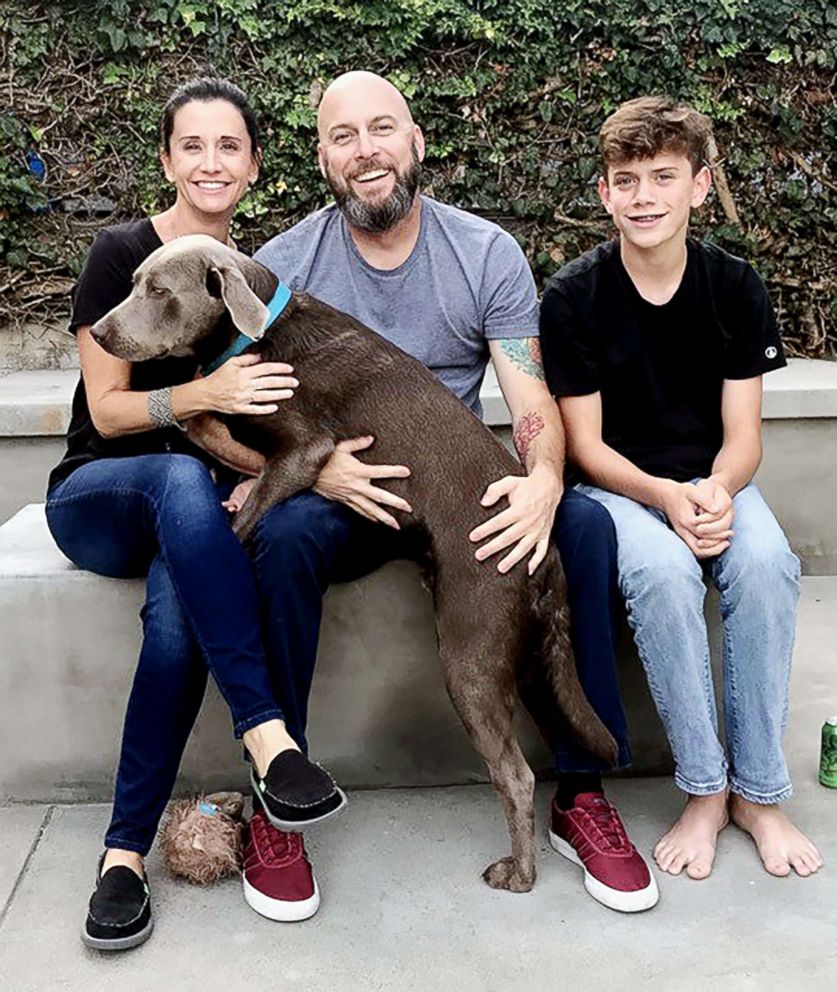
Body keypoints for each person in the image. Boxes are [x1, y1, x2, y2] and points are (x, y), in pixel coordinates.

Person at [225, 70, 658, 915]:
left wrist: (540, 479)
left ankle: (580, 795)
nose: (365, 151)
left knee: (584, 526)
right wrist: (320, 470)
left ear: (416, 141)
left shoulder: (482, 251)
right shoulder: (280, 264)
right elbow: (255, 416)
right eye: (343, 136)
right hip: (346, 490)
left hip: (457, 489)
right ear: (322, 158)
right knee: (282, 544)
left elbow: (530, 398)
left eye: (382, 129)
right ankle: (282, 791)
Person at [45, 77, 345, 951]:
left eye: (229, 148)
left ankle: (121, 860)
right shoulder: (122, 253)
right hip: (99, 493)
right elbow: (105, 412)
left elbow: (260, 419)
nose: (210, 163)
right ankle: (267, 739)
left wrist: (305, 472)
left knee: (177, 619)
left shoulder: (244, 280)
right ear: (168, 159)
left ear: (253, 166)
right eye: (192, 147)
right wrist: (204, 391)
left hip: (193, 514)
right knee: (177, 485)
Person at [539, 95, 823, 881]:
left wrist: (715, 492)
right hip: (619, 488)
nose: (644, 197)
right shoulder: (573, 296)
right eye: (625, 180)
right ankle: (703, 789)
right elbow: (586, 449)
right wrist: (664, 499)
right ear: (603, 193)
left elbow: (744, 437)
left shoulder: (733, 288)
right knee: (661, 573)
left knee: (766, 566)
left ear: (699, 186)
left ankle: (757, 795)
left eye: (663, 176)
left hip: (713, 479)